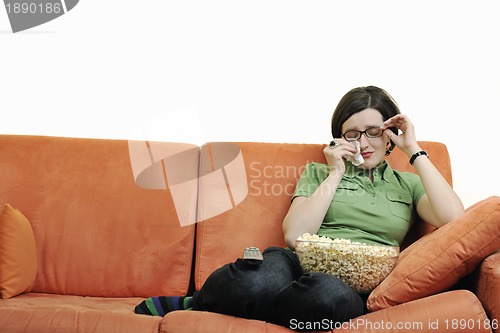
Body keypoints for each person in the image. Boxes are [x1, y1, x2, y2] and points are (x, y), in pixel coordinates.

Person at [134, 86, 465, 330]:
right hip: (296, 263)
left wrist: (415, 148)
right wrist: (335, 172)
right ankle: (199, 302)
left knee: (324, 297)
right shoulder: (319, 172)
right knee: (252, 280)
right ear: (339, 139)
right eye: (351, 134)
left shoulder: (409, 184)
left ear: (390, 135)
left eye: (374, 133)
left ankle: (251, 310)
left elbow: (455, 220)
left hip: (352, 283)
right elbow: (295, 235)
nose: (362, 144)